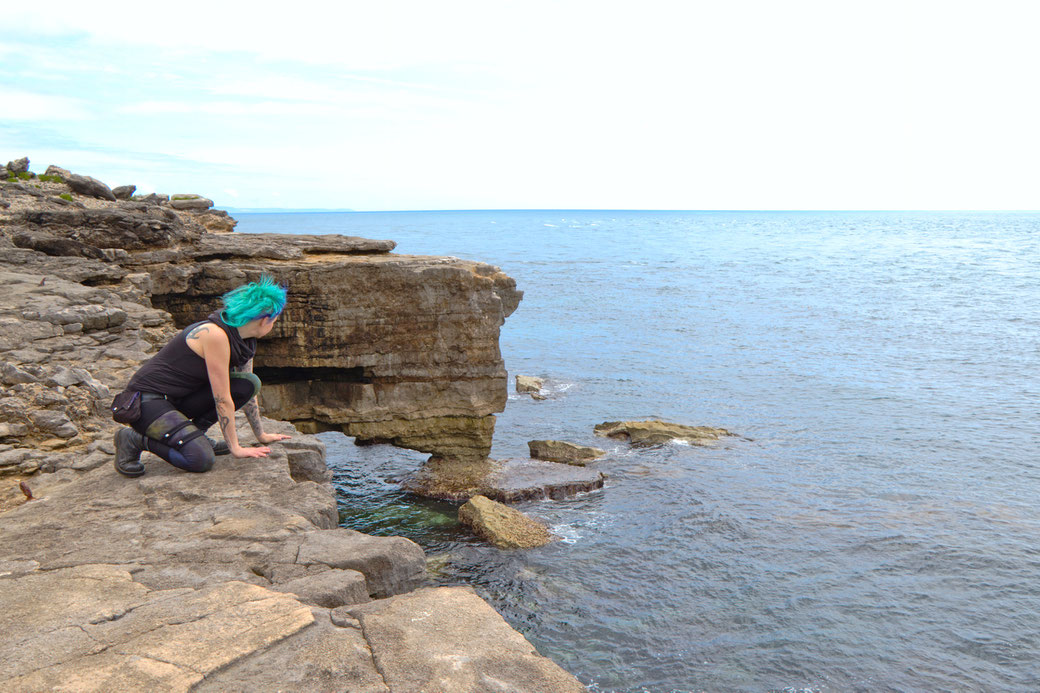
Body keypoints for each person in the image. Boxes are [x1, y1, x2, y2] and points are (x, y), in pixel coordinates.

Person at [113, 274, 291, 477]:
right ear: (264, 320)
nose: (274, 325)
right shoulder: (215, 335)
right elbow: (222, 399)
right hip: (147, 403)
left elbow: (244, 392)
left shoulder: (245, 339)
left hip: (178, 399)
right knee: (200, 459)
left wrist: (261, 435)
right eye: (275, 321)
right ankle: (133, 439)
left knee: (249, 384)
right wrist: (236, 449)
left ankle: (196, 435)